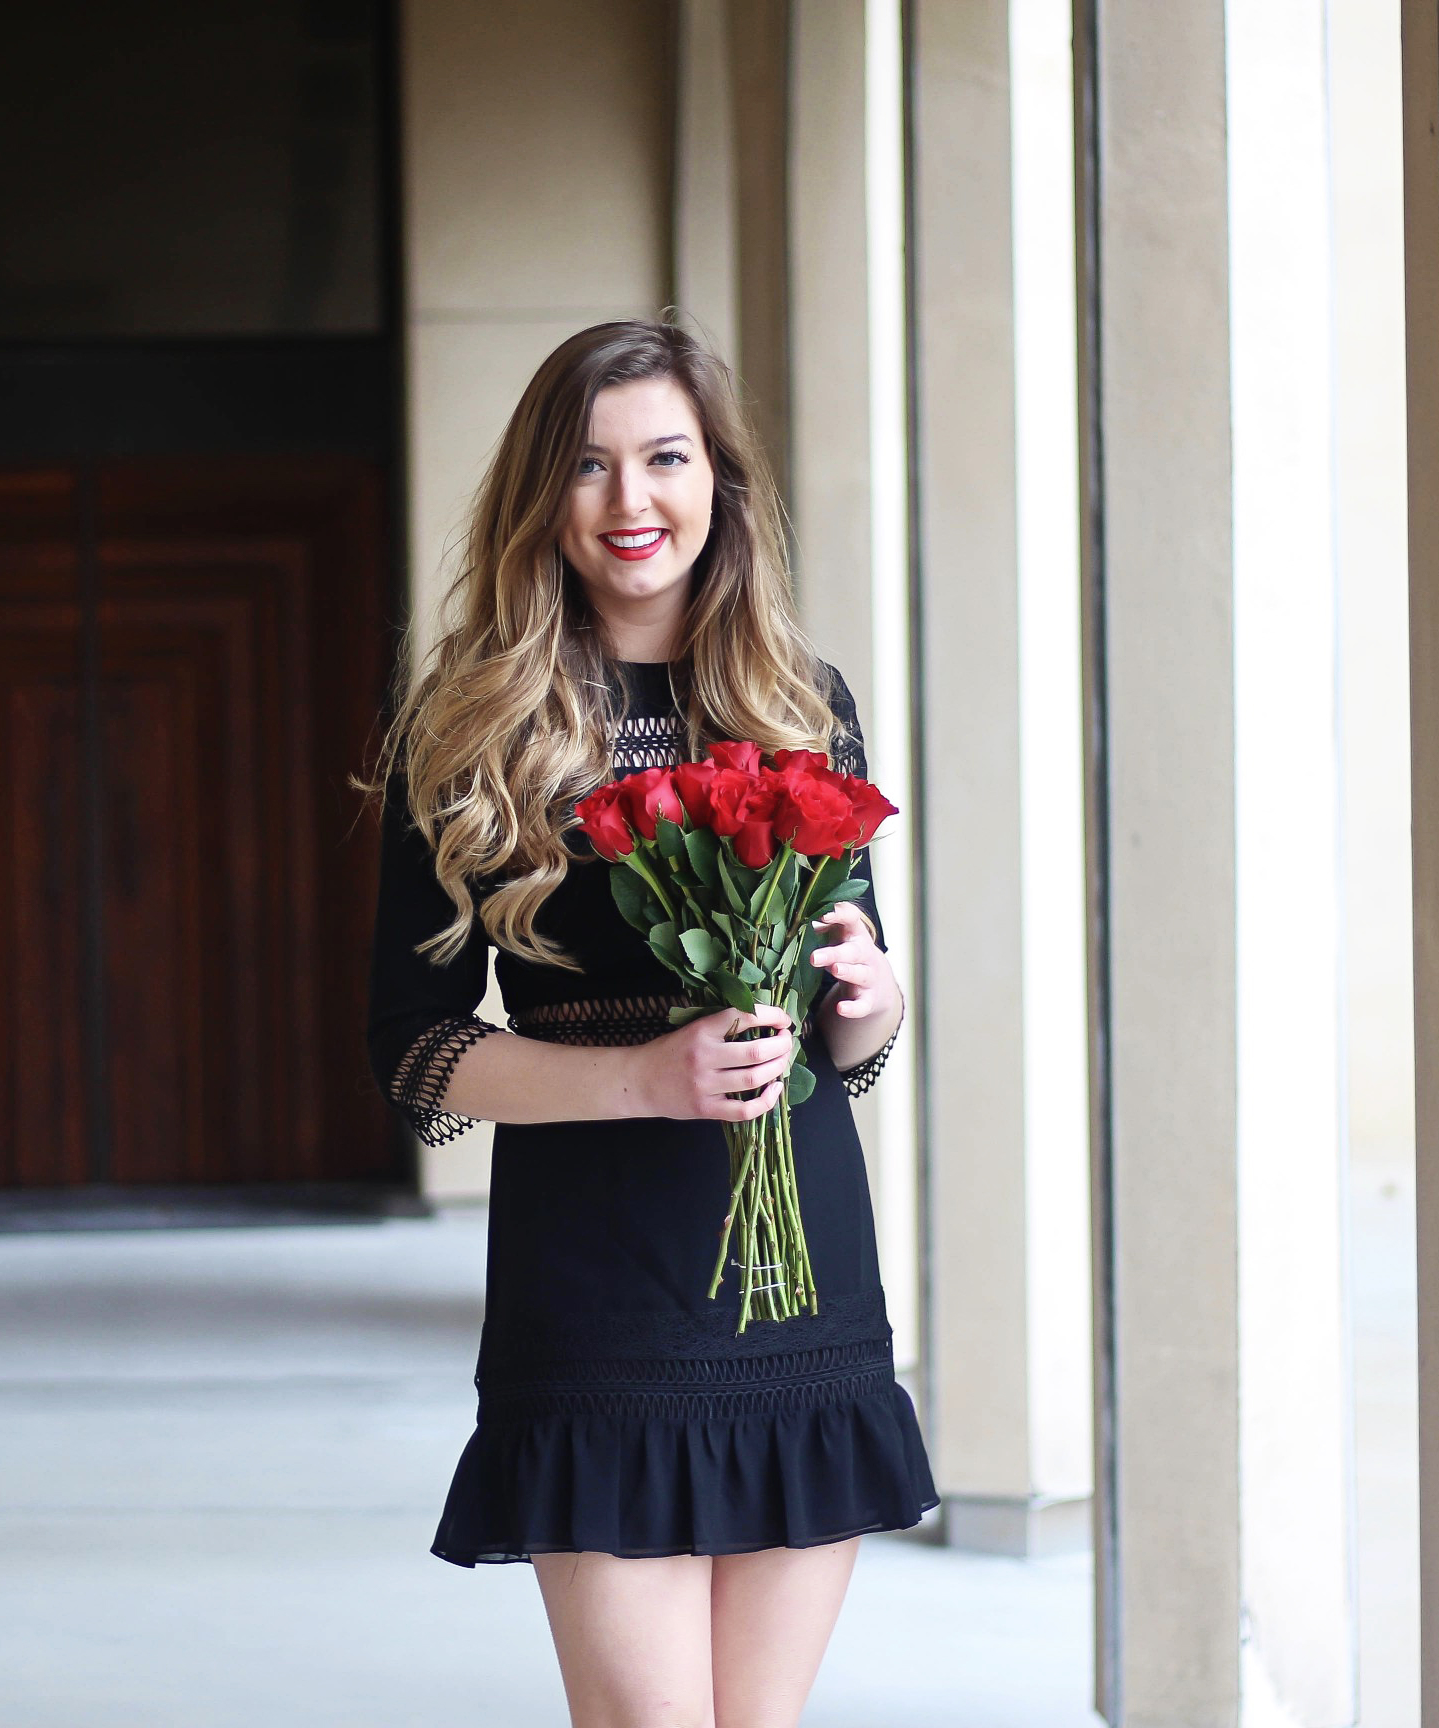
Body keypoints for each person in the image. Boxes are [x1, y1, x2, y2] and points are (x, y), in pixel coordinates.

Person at [366, 320, 936, 1728]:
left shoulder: (803, 708)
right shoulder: (469, 726)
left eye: (665, 458)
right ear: (540, 501)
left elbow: (842, 1033)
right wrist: (638, 1078)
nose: (633, 502)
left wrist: (875, 1003)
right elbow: (415, 1047)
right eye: (590, 467)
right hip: (597, 1291)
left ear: (719, 483)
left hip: (796, 1282)